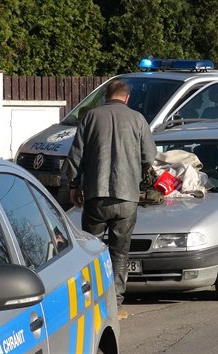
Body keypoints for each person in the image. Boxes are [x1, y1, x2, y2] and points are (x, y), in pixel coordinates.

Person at [65, 79, 157, 320]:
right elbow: (149, 157)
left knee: (91, 250)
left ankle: (91, 303)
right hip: (127, 197)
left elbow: (76, 156)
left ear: (106, 96)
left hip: (95, 197)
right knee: (120, 252)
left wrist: (74, 186)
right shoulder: (137, 119)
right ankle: (114, 305)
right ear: (126, 98)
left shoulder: (90, 117)